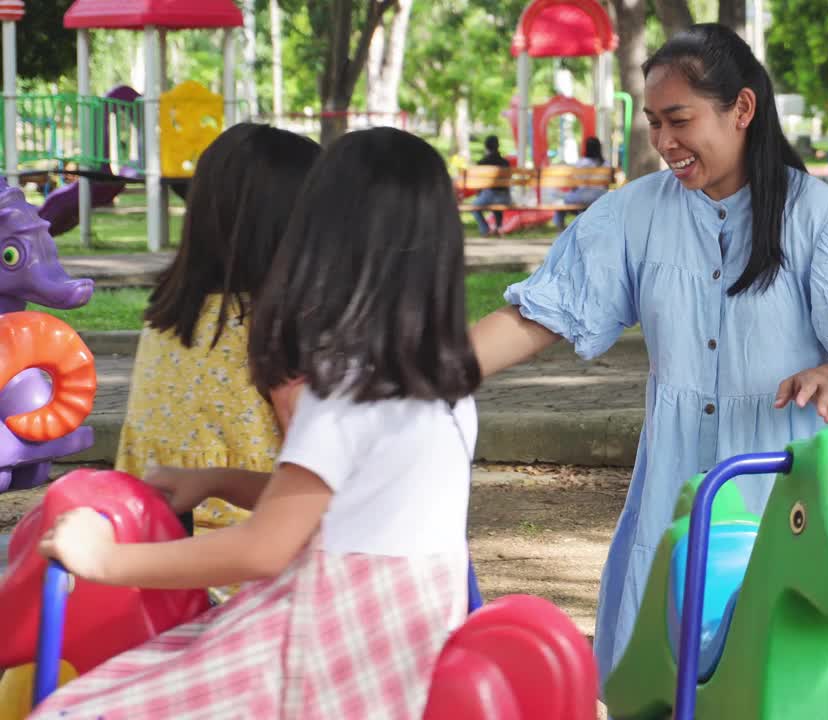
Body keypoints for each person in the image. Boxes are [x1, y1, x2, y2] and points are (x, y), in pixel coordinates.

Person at [468, 23, 828, 694]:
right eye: (655, 122)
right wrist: (436, 372)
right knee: (655, 675)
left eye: (679, 119)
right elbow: (538, 314)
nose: (664, 142)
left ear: (742, 109)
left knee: (772, 674)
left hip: (784, 490)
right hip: (676, 488)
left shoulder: (819, 220)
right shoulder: (635, 215)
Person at [34, 127, 481, 719]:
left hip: (326, 654)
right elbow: (343, 504)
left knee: (79, 710)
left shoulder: (340, 389)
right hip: (404, 647)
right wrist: (218, 479)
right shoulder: (445, 391)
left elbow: (268, 547)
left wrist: (103, 561)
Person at [115, 122, 320, 604]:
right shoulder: (280, 327)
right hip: (248, 580)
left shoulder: (166, 317)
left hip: (149, 564)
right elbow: (321, 471)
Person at [552, 135, 609, 230]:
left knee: (561, 204)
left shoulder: (581, 163)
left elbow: (574, 185)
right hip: (599, 198)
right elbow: (606, 186)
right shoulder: (606, 164)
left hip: (581, 197)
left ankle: (560, 230)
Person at [470, 134, 513, 235]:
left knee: (474, 207)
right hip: (505, 198)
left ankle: (485, 230)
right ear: (498, 146)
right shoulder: (505, 163)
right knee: (497, 202)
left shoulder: (482, 163)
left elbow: (478, 185)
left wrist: (480, 194)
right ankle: (498, 227)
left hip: (488, 196)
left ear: (486, 147)